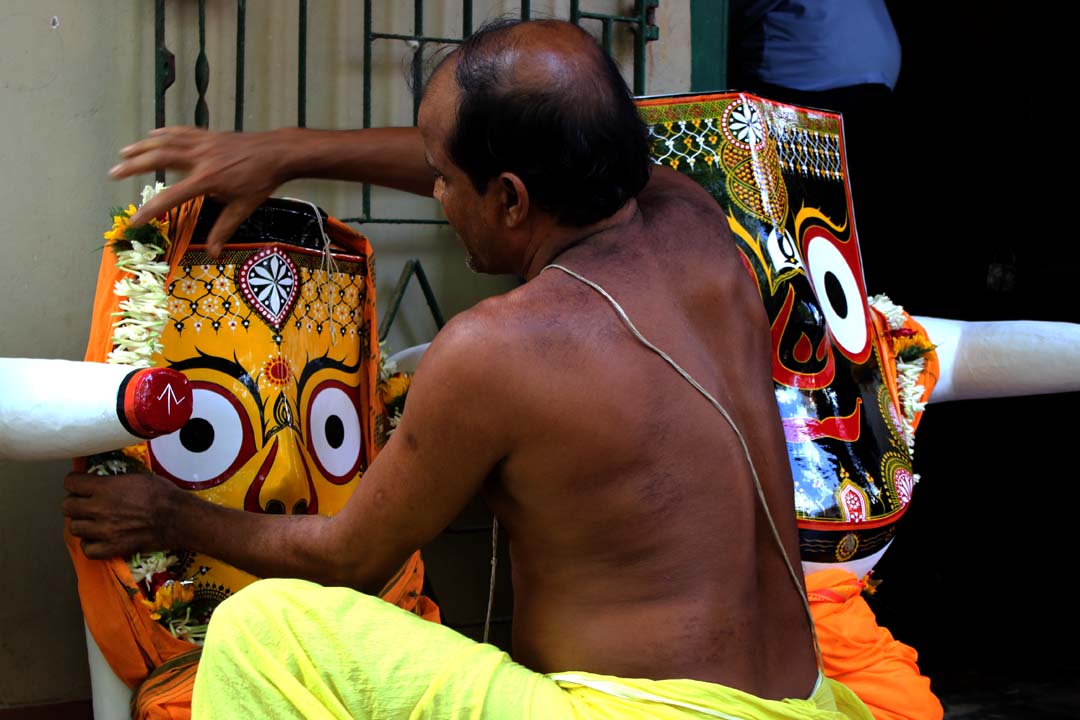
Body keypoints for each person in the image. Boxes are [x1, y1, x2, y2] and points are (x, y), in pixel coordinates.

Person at [62, 18, 875, 720]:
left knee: (263, 630)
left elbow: (349, 558)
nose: (439, 196)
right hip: (797, 700)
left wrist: (168, 517)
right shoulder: (697, 221)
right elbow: (516, 157)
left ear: (513, 200)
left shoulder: (498, 348)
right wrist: (285, 154)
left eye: (445, 181)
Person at [726, 0, 903, 297]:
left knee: (807, 217)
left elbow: (726, 18)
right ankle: (867, 315)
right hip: (867, 80)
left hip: (813, 81)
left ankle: (815, 314)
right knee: (851, 215)